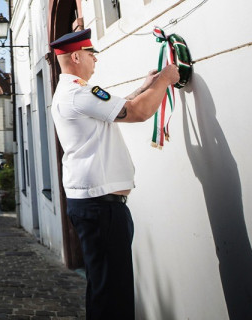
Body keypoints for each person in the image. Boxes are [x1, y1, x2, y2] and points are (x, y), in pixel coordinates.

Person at [50, 28, 179, 320]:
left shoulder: (74, 92)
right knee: (113, 297)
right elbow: (138, 112)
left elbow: (119, 106)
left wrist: (148, 85)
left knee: (104, 289)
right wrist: (167, 80)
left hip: (97, 206)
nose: (96, 62)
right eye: (93, 56)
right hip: (100, 208)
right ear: (77, 56)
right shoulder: (79, 93)